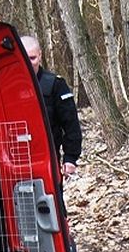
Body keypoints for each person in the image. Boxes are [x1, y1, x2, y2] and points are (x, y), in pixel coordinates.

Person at [20, 36, 82, 181]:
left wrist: (70, 158)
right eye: (24, 58)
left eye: (32, 58)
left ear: (40, 55)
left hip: (48, 159)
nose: (28, 64)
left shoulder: (55, 84)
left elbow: (71, 124)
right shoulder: (6, 87)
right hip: (16, 161)